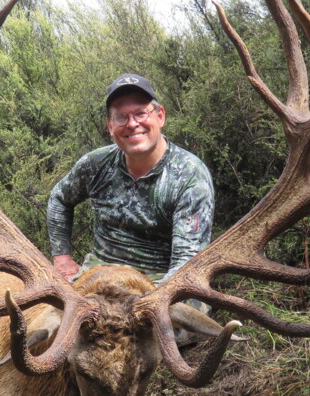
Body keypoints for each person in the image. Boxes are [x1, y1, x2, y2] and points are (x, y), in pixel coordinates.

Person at [47, 73, 215, 315]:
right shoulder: (95, 164)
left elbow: (186, 264)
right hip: (99, 274)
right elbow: (59, 200)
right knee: (52, 320)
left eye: (141, 113)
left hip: (162, 278)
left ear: (160, 116)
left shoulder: (189, 175)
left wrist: (148, 307)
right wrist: (62, 258)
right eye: (121, 117)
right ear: (110, 126)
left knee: (169, 324)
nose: (132, 123)